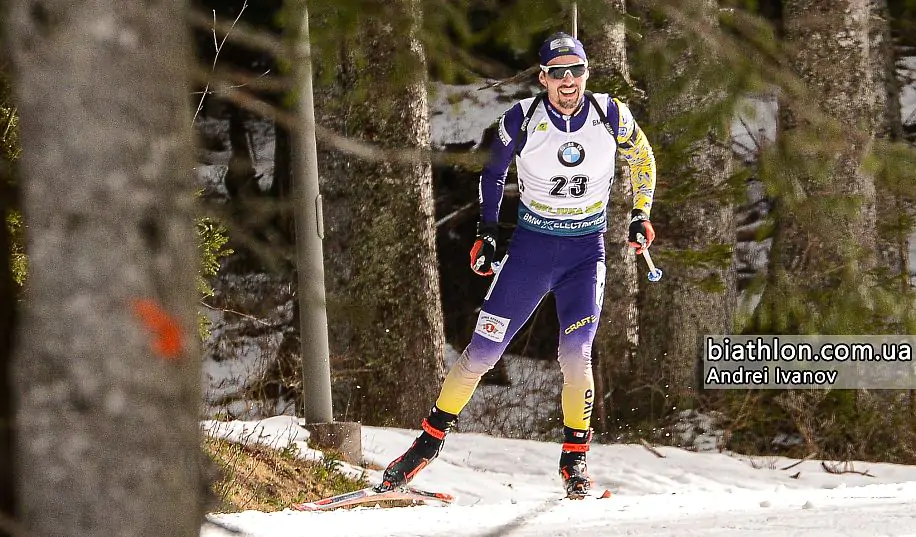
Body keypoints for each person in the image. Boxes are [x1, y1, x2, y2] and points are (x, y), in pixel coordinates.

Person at [377, 32, 658, 498]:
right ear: (543, 77)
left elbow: (642, 157)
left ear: (586, 74)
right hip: (531, 250)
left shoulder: (610, 113)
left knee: (576, 355)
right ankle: (426, 444)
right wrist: (487, 233)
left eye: (577, 71)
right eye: (557, 73)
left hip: (585, 254)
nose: (568, 82)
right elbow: (492, 172)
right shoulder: (522, 118)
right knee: (481, 354)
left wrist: (640, 215)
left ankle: (575, 460)